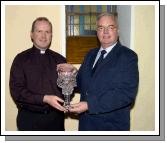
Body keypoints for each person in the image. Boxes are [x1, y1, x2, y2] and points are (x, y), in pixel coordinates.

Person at [58, 12, 139, 131]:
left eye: (110, 27)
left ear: (118, 31)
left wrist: (90, 105)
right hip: (86, 125)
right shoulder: (90, 54)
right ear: (97, 32)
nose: (105, 32)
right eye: (101, 28)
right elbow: (80, 84)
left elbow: (125, 94)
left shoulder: (128, 57)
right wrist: (72, 72)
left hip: (111, 127)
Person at [9, 17, 67, 131]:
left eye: (47, 32)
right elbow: (17, 91)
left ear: (51, 35)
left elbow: (68, 89)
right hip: (29, 120)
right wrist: (44, 98)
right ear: (31, 34)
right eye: (39, 31)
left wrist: (74, 75)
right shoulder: (20, 59)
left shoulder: (60, 60)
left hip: (56, 120)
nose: (43, 36)